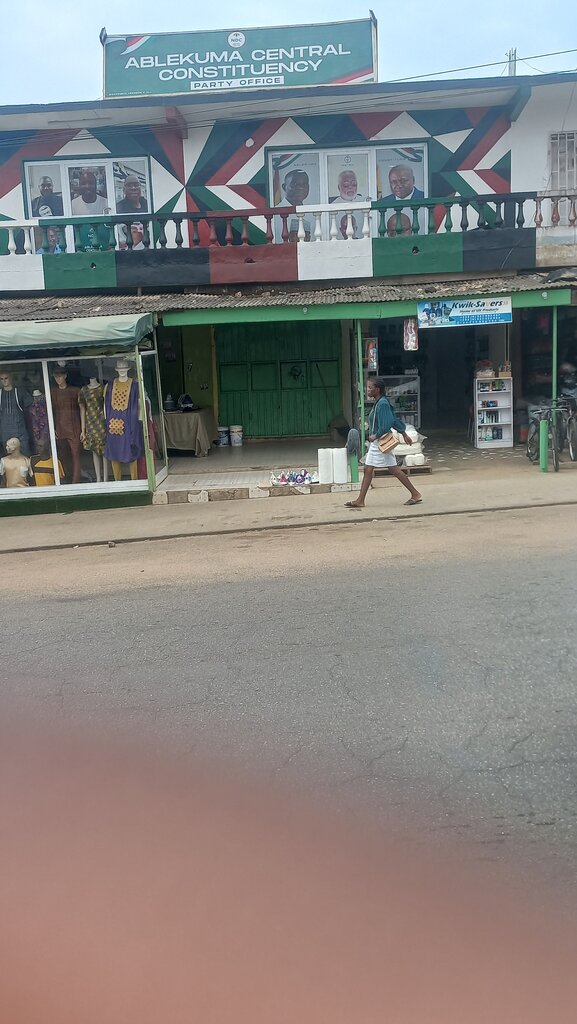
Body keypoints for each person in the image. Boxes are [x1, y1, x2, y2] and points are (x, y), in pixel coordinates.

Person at [345, 376, 422, 509]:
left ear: (377, 389)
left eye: (370, 387)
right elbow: (393, 419)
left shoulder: (382, 404)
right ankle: (415, 493)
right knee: (388, 469)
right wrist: (403, 433)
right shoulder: (380, 402)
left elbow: (387, 424)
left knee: (370, 469)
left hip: (380, 442)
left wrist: (376, 435)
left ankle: (360, 500)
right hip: (380, 442)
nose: (367, 390)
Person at [277, 169, 311, 240]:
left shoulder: (311, 213)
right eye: (295, 184)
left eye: (304, 184)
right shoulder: (276, 213)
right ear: (284, 187)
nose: (300, 188)